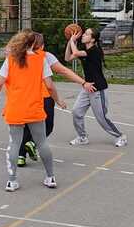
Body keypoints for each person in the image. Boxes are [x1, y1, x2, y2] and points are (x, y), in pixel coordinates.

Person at [0, 30, 67, 192]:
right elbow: (50, 86)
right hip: (34, 109)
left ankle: (11, 181)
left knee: (14, 144)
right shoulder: (41, 60)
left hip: (15, 109)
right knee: (42, 142)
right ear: (34, 44)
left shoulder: (11, 59)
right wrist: (58, 100)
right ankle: (50, 177)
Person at [16, 33, 95, 167]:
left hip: (25, 97)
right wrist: (82, 83)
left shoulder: (19, 56)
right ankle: (32, 143)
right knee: (48, 126)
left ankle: (21, 156)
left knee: (28, 127)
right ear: (42, 45)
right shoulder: (45, 57)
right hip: (44, 97)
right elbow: (63, 72)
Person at [66, 27, 127, 147]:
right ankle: (82, 137)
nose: (83, 35)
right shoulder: (85, 51)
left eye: (86, 34)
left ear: (93, 39)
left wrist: (72, 41)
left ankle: (120, 136)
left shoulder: (94, 51)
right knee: (76, 112)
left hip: (98, 88)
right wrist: (69, 42)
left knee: (101, 118)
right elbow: (67, 58)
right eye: (84, 34)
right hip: (87, 87)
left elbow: (76, 53)